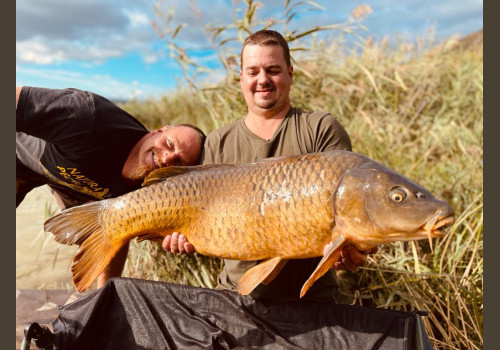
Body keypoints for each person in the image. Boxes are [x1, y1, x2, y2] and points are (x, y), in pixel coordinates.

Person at [162, 30, 376, 301]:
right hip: (235, 295)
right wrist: (179, 237)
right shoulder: (218, 141)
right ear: (241, 78)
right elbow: (197, 219)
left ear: (290, 73)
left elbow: (349, 211)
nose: (263, 80)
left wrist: (353, 249)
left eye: (273, 70)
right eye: (253, 72)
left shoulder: (320, 128)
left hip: (312, 297)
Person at [16, 86, 206, 288]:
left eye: (178, 162)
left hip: (65, 181)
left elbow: (116, 228)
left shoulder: (152, 189)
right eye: (169, 143)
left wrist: (105, 295)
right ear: (159, 130)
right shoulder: (88, 118)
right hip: (16, 156)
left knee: (105, 225)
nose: (168, 157)